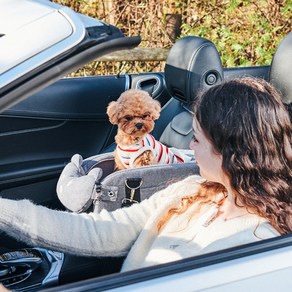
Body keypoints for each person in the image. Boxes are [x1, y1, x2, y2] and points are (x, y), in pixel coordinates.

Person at [0, 77, 291, 272]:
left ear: (232, 152)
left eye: (197, 140)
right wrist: (6, 212)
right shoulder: (192, 190)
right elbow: (99, 231)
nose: (188, 146)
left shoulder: (255, 247)